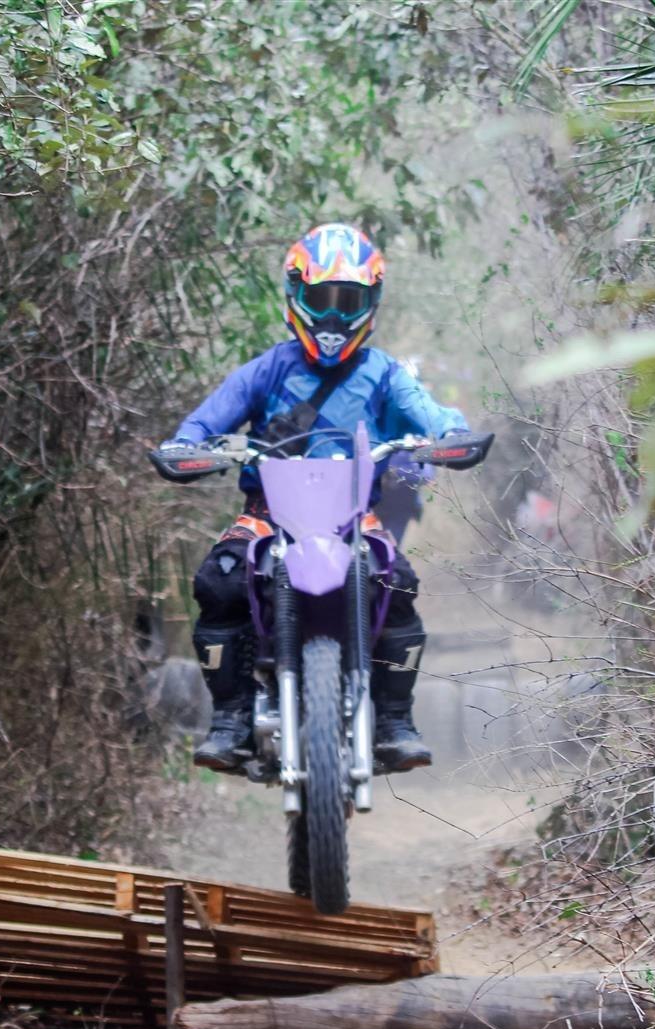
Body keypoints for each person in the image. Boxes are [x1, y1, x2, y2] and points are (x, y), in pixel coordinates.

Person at [161, 223, 472, 774]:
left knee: (397, 583)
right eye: (320, 298)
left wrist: (452, 434)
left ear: (369, 303)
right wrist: (187, 446)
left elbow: (433, 415)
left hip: (354, 518)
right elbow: (204, 422)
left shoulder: (384, 374)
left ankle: (395, 721)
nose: (331, 316)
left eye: (346, 301)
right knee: (220, 579)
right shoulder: (267, 369)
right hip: (267, 516)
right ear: (296, 294)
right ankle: (231, 718)